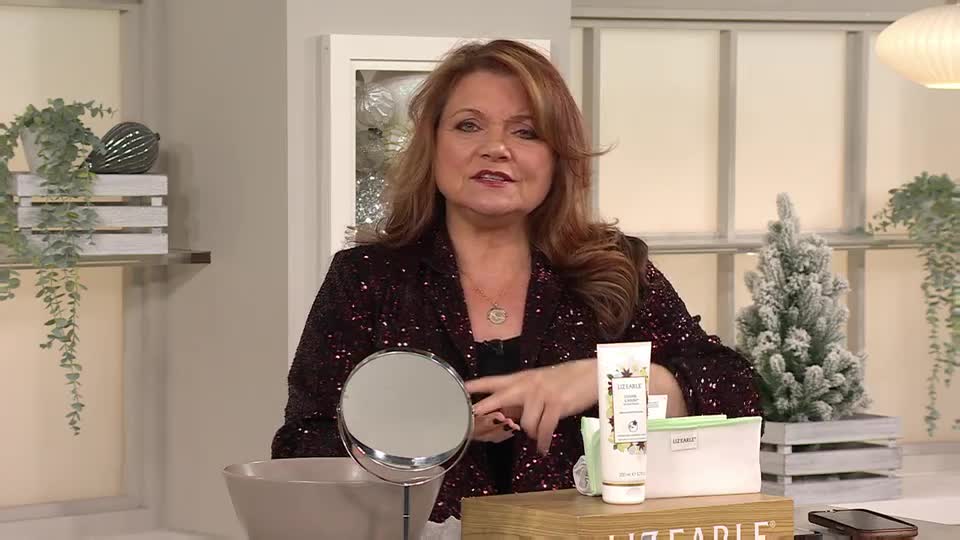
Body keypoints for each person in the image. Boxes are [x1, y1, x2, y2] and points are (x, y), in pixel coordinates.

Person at [271, 39, 761, 523]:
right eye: (468, 126)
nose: (496, 149)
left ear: (556, 157)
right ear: (433, 143)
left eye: (526, 133)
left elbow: (737, 393)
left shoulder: (614, 270)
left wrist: (604, 377)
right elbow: (299, 446)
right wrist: (432, 438)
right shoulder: (366, 278)